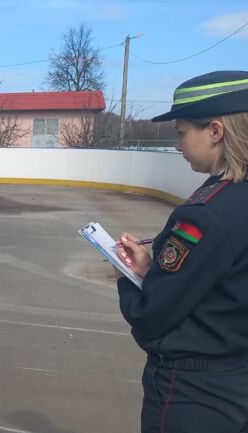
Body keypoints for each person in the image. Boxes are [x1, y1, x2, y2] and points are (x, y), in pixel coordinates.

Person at [115, 70, 248, 432]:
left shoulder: (205, 215)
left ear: (216, 132)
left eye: (181, 132)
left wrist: (127, 275)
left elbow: (152, 314)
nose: (177, 145)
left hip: (196, 392)